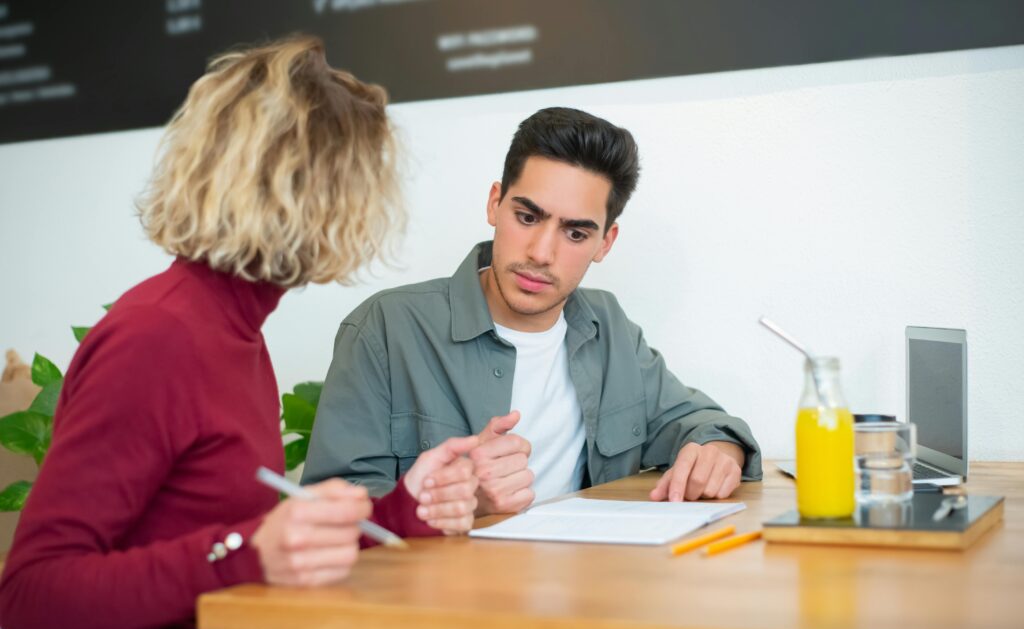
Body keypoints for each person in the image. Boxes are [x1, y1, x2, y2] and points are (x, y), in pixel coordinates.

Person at [0, 36, 478, 629]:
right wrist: (241, 551)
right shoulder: (158, 338)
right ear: (314, 197)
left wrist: (400, 511)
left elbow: (241, 542)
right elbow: (31, 596)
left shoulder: (233, 329)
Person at [303, 106, 760, 514]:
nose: (542, 253)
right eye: (527, 217)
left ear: (605, 243)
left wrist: (719, 450)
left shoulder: (609, 326)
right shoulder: (385, 328)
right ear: (494, 204)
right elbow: (331, 503)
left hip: (587, 590)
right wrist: (457, 500)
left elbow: (696, 422)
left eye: (576, 234)